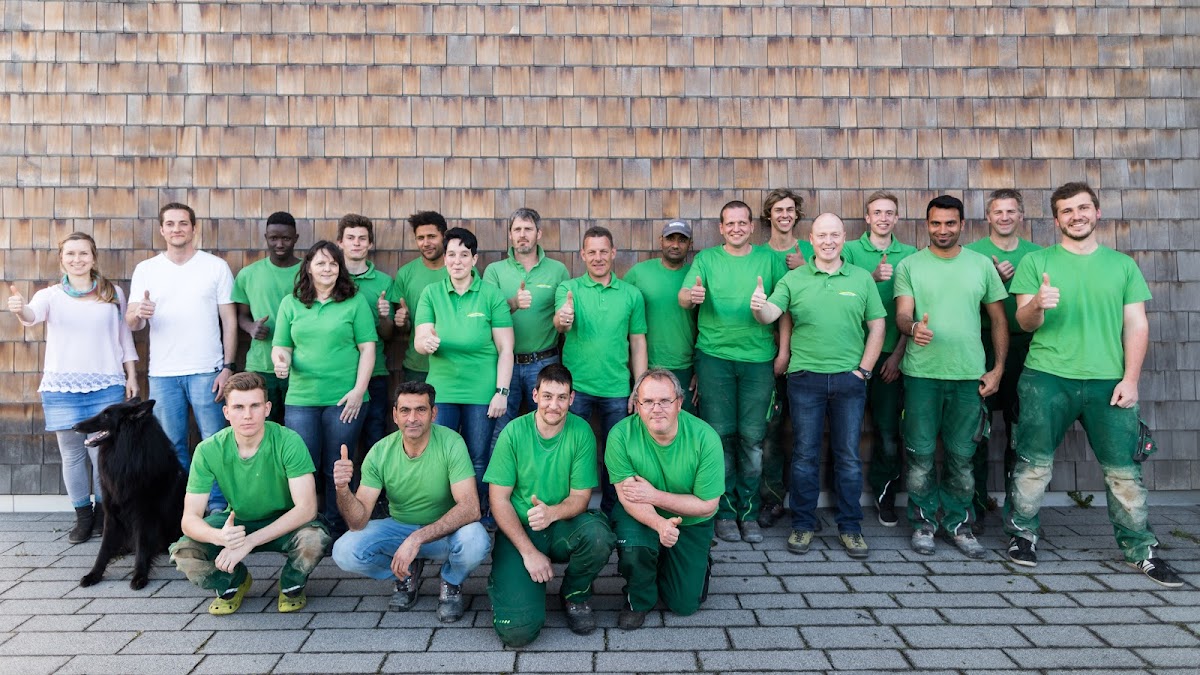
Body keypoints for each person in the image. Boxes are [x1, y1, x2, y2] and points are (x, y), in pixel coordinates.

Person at [1003, 182, 1182, 588]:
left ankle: (1141, 550)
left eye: (1083, 208)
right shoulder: (1037, 261)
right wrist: (1037, 304)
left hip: (1108, 382)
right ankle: (1022, 536)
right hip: (1046, 378)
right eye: (1067, 211)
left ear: (1097, 212)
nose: (1076, 216)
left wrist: (1131, 379)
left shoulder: (1122, 265)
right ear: (1056, 220)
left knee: (1124, 472)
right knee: (1032, 464)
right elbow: (1024, 322)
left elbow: (1136, 324)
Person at [753, 214, 885, 558]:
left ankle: (851, 528)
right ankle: (802, 525)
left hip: (849, 381)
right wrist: (758, 307)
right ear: (811, 239)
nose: (828, 241)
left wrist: (864, 371)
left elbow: (877, 326)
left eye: (834, 235)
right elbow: (770, 314)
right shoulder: (794, 278)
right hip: (805, 380)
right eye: (822, 235)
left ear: (844, 238)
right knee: (804, 456)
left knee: (848, 457)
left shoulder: (860, 278)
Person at [894, 195, 1008, 559]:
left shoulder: (980, 265)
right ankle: (923, 523)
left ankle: (959, 524)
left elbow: (999, 320)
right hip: (921, 375)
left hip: (968, 377)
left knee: (962, 456)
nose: (942, 230)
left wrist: (998, 369)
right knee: (920, 455)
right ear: (926, 224)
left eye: (950, 223)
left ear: (962, 224)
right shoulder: (910, 265)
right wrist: (913, 328)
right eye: (936, 223)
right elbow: (902, 315)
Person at [6, 233, 138, 542]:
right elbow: (31, 316)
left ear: (93, 257)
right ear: (61, 259)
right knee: (72, 455)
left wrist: (131, 375)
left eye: (83, 253)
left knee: (102, 455)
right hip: (62, 387)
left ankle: (105, 516)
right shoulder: (50, 296)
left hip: (106, 384)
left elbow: (124, 338)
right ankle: (83, 517)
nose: (77, 259)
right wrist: (19, 308)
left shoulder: (112, 293)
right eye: (70, 254)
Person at [169, 373, 330, 615]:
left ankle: (291, 583)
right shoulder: (208, 450)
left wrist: (250, 542)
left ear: (267, 409)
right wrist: (219, 537)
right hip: (237, 522)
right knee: (184, 553)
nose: (247, 415)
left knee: (314, 539)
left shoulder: (288, 441)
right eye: (238, 407)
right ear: (226, 412)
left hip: (285, 521)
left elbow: (306, 509)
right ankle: (233, 581)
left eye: (255, 406)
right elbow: (189, 519)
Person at [332, 381, 492, 622]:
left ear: (433, 413)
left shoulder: (451, 442)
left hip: (444, 533)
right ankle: (405, 574)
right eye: (405, 410)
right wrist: (342, 489)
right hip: (400, 528)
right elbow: (357, 521)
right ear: (395, 415)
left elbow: (470, 508)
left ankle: (451, 581)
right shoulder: (380, 451)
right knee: (344, 551)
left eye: (421, 410)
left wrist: (416, 539)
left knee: (476, 540)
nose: (412, 418)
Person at [678, 200, 788, 544]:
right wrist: (693, 296)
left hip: (758, 360)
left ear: (752, 226)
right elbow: (683, 296)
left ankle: (748, 513)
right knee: (720, 437)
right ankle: (724, 512)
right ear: (721, 228)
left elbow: (785, 309)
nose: (737, 228)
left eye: (743, 223)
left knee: (753, 440)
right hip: (714, 359)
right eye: (730, 223)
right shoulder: (707, 259)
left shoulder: (769, 260)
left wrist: (784, 351)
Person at [484, 364, 616, 647]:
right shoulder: (513, 432)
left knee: (598, 535)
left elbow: (581, 497)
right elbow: (498, 500)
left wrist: (551, 513)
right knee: (517, 634)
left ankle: (574, 594)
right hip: (520, 531)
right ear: (535, 395)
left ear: (571, 398)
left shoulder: (581, 431)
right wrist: (529, 552)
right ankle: (510, 583)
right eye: (547, 396)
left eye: (561, 397)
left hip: (561, 525)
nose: (553, 405)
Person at [127, 202, 237, 512]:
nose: (177, 229)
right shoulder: (146, 269)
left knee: (214, 441)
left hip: (207, 370)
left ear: (193, 228)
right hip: (163, 373)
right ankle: (185, 507)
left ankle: (218, 506)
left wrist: (228, 367)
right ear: (162, 230)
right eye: (171, 224)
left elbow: (229, 321)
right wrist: (138, 313)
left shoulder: (215, 267)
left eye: (183, 223)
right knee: (172, 444)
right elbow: (132, 323)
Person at [272, 241, 377, 538]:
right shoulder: (291, 303)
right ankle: (306, 528)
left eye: (333, 263)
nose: (327, 269)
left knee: (338, 465)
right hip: (301, 399)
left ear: (340, 268)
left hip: (345, 399)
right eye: (320, 263)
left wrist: (358, 391)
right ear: (308, 267)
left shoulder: (354, 301)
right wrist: (281, 361)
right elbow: (281, 346)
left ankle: (337, 528)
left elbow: (368, 349)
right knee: (304, 465)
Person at [606, 369, 723, 630]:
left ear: (679, 403)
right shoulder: (621, 435)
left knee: (684, 605)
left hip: (690, 520)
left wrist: (655, 495)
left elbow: (708, 505)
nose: (656, 409)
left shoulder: (705, 438)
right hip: (640, 514)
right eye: (648, 401)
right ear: (637, 405)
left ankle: (691, 561)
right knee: (635, 549)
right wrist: (660, 524)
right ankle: (638, 599)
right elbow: (628, 496)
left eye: (664, 401)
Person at [414, 227, 514, 522]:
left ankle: (477, 515)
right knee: (438, 456)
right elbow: (420, 338)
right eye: (451, 254)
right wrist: (426, 343)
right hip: (442, 391)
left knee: (478, 457)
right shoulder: (432, 293)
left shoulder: (491, 295)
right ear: (444, 258)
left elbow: (506, 349)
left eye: (464, 255)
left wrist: (502, 392)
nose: (457, 261)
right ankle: (439, 517)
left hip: (481, 393)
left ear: (474, 259)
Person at [554, 226, 648, 514]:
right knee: (572, 450)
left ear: (613, 253)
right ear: (582, 254)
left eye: (603, 251)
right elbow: (560, 323)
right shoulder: (568, 289)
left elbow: (638, 342)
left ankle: (612, 512)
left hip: (617, 388)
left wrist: (640, 387)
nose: (598, 257)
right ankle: (571, 511)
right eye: (591, 252)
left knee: (615, 455)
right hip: (577, 388)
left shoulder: (632, 295)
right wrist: (564, 318)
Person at [964, 190, 1042, 528]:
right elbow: (961, 304)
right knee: (976, 430)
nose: (1005, 217)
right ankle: (975, 507)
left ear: (1021, 215)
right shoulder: (971, 254)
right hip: (981, 344)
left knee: (1020, 431)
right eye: (998, 211)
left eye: (1011, 211)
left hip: (1027, 348)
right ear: (988, 217)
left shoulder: (1038, 256)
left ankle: (1018, 510)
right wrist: (993, 284)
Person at [843, 191, 919, 527]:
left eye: (889, 213)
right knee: (844, 431)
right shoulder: (849, 251)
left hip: (890, 355)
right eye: (877, 213)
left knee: (889, 433)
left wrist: (899, 354)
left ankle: (885, 496)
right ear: (867, 218)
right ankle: (844, 500)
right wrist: (870, 279)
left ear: (897, 218)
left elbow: (912, 309)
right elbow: (838, 296)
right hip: (850, 355)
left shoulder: (911, 255)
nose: (883, 218)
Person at [482, 208, 570, 447]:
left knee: (546, 428)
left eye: (528, 229)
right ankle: (498, 474)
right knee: (500, 431)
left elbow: (562, 316)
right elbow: (486, 317)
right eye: (517, 229)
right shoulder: (494, 271)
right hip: (504, 364)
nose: (522, 234)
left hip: (544, 361)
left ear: (538, 233)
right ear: (510, 234)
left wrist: (565, 318)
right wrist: (513, 303)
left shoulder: (557, 270)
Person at [758, 189, 813, 528]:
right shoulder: (758, 255)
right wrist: (781, 351)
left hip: (810, 355)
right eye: (778, 209)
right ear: (769, 215)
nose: (785, 215)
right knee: (771, 430)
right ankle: (772, 499)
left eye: (790, 209)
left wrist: (805, 268)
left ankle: (806, 506)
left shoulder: (811, 251)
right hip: (769, 355)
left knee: (807, 434)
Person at [231, 211, 300, 424]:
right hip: (261, 365)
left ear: (296, 238)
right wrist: (251, 327)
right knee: (263, 426)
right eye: (274, 238)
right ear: (266, 238)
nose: (279, 244)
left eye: (286, 238)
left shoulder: (309, 272)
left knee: (296, 429)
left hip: (300, 366)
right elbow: (241, 316)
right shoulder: (248, 274)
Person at [624, 220, 698, 416]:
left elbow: (707, 325)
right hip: (644, 367)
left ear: (690, 244)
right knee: (647, 423)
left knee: (682, 425)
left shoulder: (695, 275)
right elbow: (620, 315)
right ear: (661, 241)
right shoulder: (639, 273)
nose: (675, 245)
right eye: (670, 239)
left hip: (685, 368)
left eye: (682, 240)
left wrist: (701, 370)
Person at [337, 213, 396, 453]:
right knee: (341, 441)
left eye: (362, 238)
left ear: (370, 243)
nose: (356, 243)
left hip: (375, 372)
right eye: (350, 238)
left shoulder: (384, 281)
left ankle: (374, 480)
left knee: (375, 437)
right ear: (340, 242)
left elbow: (388, 335)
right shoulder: (330, 277)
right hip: (339, 372)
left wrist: (384, 317)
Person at [388, 211, 449, 383]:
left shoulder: (462, 270)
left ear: (444, 236)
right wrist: (402, 321)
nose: (426, 243)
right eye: (420, 238)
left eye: (432, 236)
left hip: (454, 365)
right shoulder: (405, 273)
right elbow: (405, 328)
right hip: (417, 367)